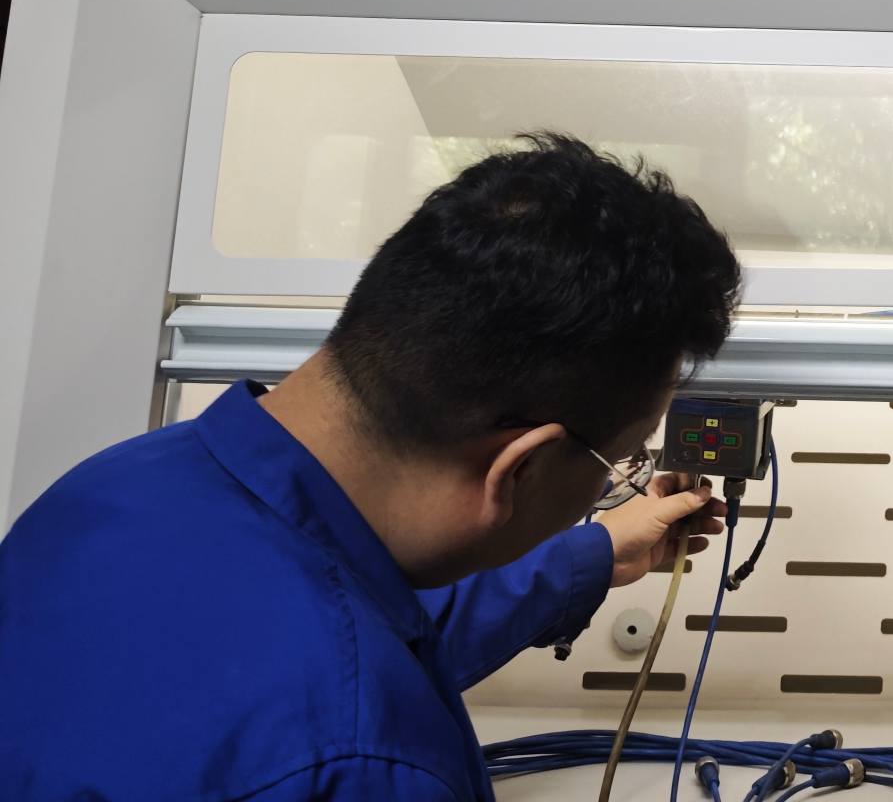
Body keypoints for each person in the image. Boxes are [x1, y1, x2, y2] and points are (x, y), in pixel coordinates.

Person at [0, 134, 744, 801]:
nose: (615, 481)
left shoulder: (109, 491)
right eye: (619, 462)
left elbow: (359, 629)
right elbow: (346, 678)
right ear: (521, 466)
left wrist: (599, 552)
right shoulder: (366, 766)